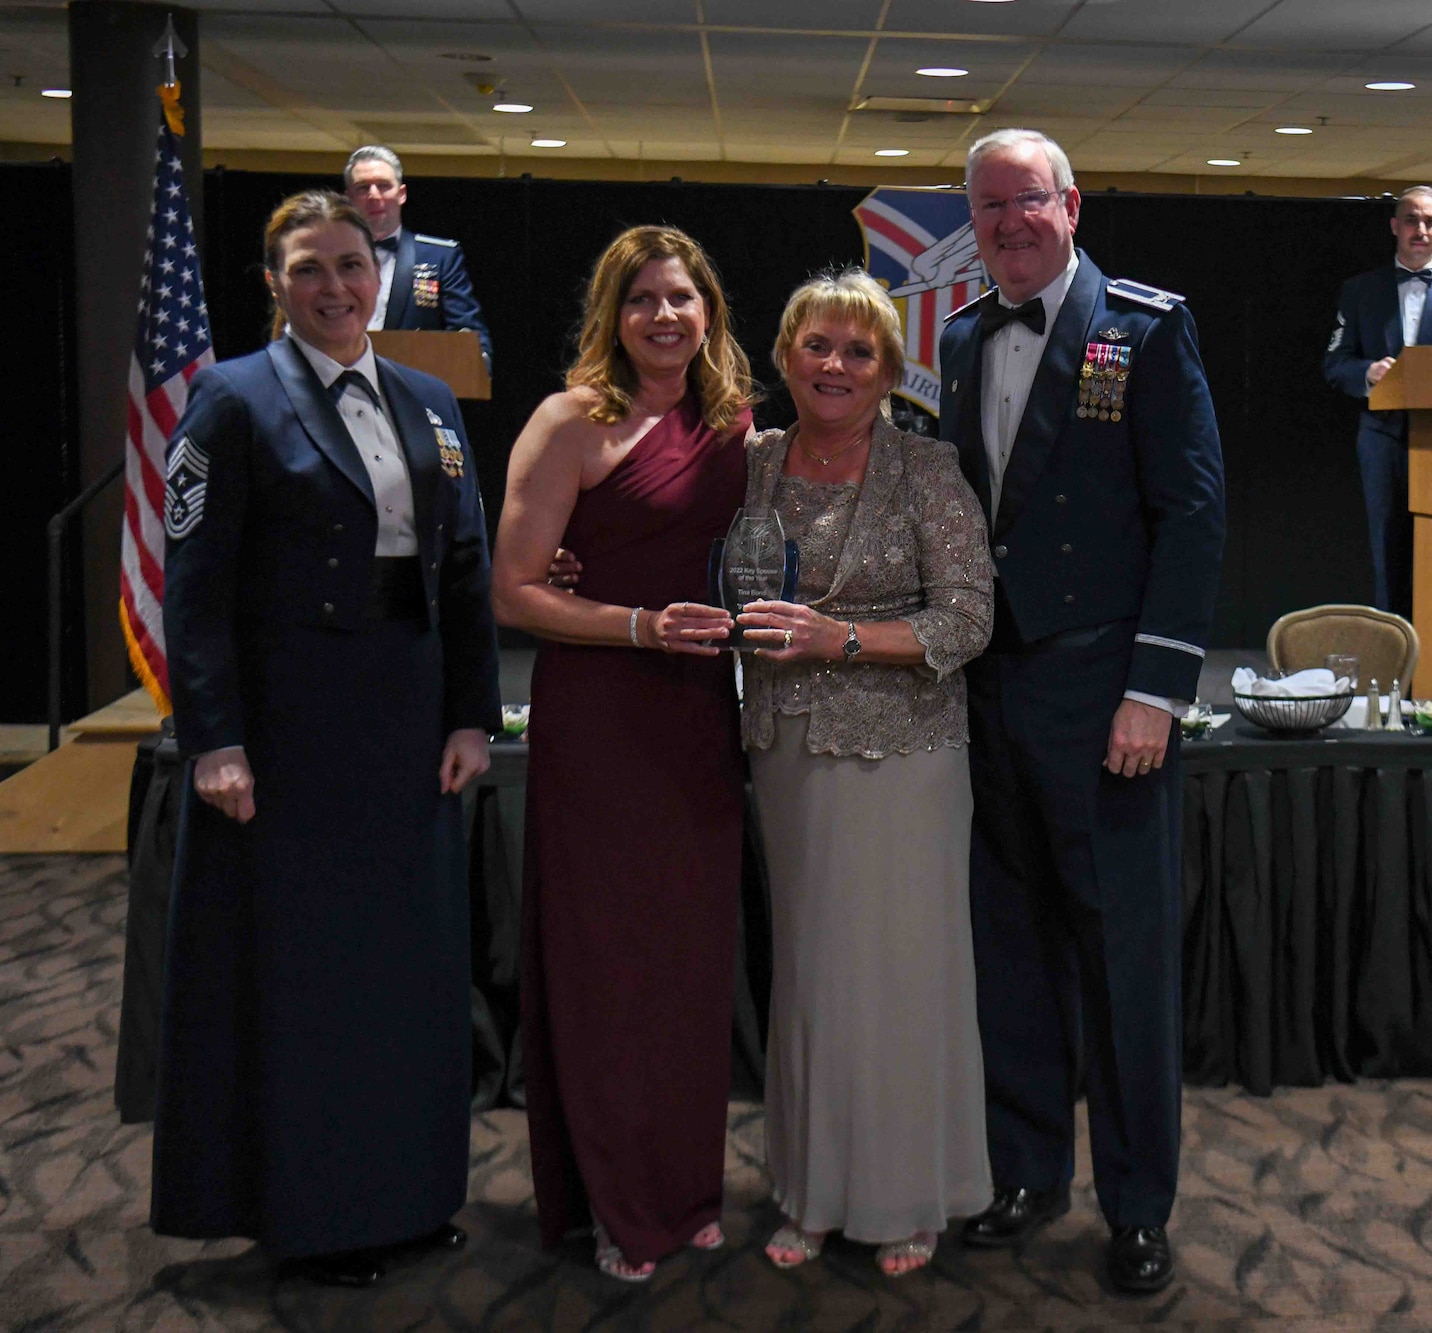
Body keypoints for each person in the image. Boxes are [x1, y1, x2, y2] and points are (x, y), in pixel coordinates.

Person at [151, 190, 500, 1288]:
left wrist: (469, 712)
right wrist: (214, 738)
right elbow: (194, 590)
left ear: (379, 274)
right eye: (310, 268)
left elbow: (464, 572)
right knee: (313, 987)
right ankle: (317, 1219)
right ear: (275, 282)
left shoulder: (430, 397)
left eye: (352, 264)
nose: (336, 286)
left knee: (409, 977)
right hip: (290, 735)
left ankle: (405, 1198)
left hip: (406, 726)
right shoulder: (231, 397)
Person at [936, 128, 1227, 1296]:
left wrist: (1154, 689)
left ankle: (1138, 1204)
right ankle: (1026, 1172)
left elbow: (1192, 514)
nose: (1005, 224)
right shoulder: (959, 337)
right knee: (1007, 948)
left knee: (1121, 964)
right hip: (989, 688)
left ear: (1070, 204)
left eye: (1024, 202)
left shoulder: (1144, 328)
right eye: (987, 209)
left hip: (1105, 694)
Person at [490, 226, 755, 1281]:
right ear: (612, 314)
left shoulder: (733, 424)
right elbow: (513, 589)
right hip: (598, 717)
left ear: (708, 312)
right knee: (607, 968)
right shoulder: (569, 422)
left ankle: (685, 1186)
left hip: (696, 718)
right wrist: (636, 623)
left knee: (687, 970)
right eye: (641, 297)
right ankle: (613, 1201)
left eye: (681, 296)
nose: (663, 315)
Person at [722, 269, 995, 1278]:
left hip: (906, 759)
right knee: (811, 980)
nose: (835, 366)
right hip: (787, 755)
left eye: (859, 351)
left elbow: (967, 621)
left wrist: (840, 638)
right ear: (785, 354)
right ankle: (811, 1190)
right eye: (816, 346)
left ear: (889, 370)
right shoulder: (748, 463)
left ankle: (908, 1193)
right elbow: (675, 547)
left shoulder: (928, 470)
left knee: (901, 982)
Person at [1323, 185, 1432, 614]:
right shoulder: (1360, 290)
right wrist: (1368, 373)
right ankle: (1393, 654)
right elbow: (1335, 363)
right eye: (1410, 220)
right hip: (1382, 438)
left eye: (1428, 222)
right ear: (1394, 226)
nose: (1419, 230)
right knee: (1386, 548)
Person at [343, 145, 493, 370]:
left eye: (383, 186)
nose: (374, 195)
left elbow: (467, 331)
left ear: (401, 194)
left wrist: (477, 361)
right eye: (363, 188)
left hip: (409, 388)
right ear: (349, 198)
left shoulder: (439, 256)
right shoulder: (327, 257)